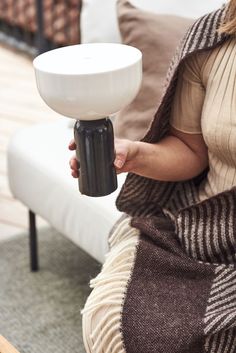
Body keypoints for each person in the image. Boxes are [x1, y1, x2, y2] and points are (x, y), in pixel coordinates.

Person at [69, 1, 236, 352]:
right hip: (205, 227)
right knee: (125, 324)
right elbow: (190, 150)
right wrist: (133, 154)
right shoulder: (213, 38)